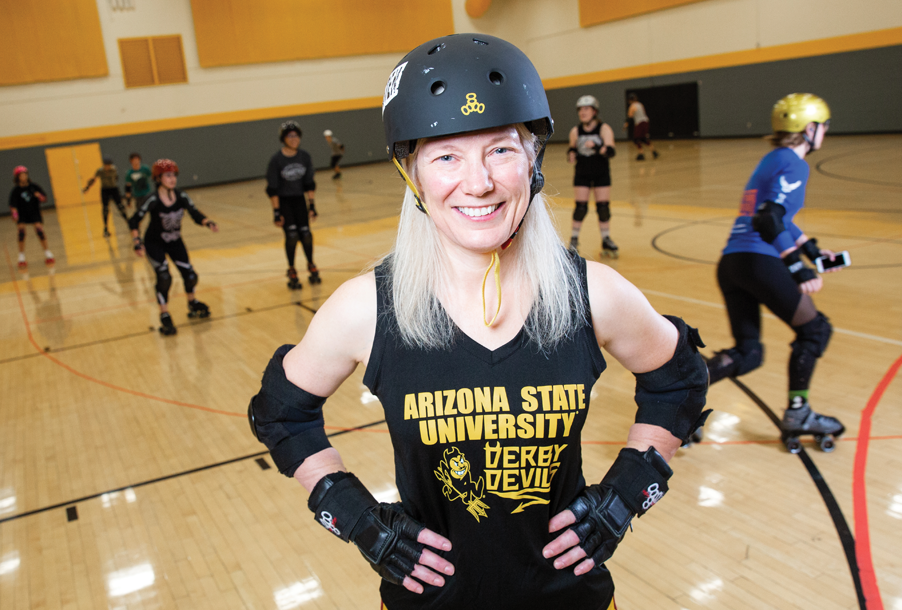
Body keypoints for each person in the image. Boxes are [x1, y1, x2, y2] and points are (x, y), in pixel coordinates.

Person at [248, 34, 709, 610]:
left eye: (500, 150)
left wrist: (627, 493)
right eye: (446, 157)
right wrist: (353, 515)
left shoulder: (591, 294)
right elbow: (282, 413)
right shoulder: (367, 308)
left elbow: (679, 382)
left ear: (533, 158)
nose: (478, 183)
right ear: (412, 172)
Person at [706, 93, 844, 451]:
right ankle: (798, 412)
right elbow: (768, 218)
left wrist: (811, 249)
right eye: (823, 126)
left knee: (749, 352)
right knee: (815, 330)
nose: (825, 132)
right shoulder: (796, 164)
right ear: (809, 128)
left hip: (733, 262)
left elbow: (775, 216)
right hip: (759, 260)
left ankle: (684, 394)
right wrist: (798, 267)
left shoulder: (772, 159)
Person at [129, 159, 218, 336]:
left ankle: (192, 303)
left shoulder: (181, 196)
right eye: (167, 175)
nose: (172, 179)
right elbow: (134, 220)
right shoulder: (152, 199)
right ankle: (164, 314)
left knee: (190, 275)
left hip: (175, 241)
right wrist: (137, 241)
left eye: (174, 175)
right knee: (164, 277)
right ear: (158, 178)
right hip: (155, 243)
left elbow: (194, 213)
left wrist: (207, 222)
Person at [266, 121, 320, 289]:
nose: (294, 139)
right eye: (290, 136)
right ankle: (291, 269)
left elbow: (309, 184)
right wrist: (276, 212)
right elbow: (272, 189)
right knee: (292, 236)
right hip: (284, 202)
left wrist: (311, 206)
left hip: (299, 201)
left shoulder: (304, 156)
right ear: (284, 139)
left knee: (306, 235)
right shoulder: (276, 160)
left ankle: (311, 264)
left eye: (296, 135)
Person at [567, 95, 618, 257]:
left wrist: (596, 146)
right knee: (580, 207)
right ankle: (574, 240)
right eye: (580, 109)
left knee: (603, 208)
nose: (583, 112)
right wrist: (571, 154)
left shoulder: (604, 129)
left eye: (586, 109)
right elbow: (572, 148)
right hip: (582, 173)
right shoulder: (575, 131)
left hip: (601, 173)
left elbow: (611, 151)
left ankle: (606, 238)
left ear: (594, 111)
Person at [9, 166, 54, 269]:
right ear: (17, 177)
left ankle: (47, 253)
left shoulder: (34, 186)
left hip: (34, 212)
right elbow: (12, 205)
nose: (24, 176)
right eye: (21, 175)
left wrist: (39, 196)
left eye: (25, 174)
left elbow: (44, 198)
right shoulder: (16, 190)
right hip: (22, 214)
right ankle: (21, 256)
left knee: (39, 230)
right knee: (21, 232)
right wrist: (15, 214)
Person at [83, 156, 128, 237]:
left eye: (109, 165)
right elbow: (93, 179)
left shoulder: (114, 169)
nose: (107, 167)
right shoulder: (100, 171)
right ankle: (106, 228)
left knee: (120, 206)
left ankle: (129, 223)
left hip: (114, 189)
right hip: (105, 190)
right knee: (105, 209)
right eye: (106, 165)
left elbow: (116, 178)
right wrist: (87, 187)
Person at [624, 93, 658, 161]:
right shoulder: (640, 104)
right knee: (643, 138)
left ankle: (641, 153)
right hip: (646, 122)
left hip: (639, 123)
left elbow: (630, 117)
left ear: (630, 100)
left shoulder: (632, 106)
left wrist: (626, 125)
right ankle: (653, 151)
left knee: (636, 139)